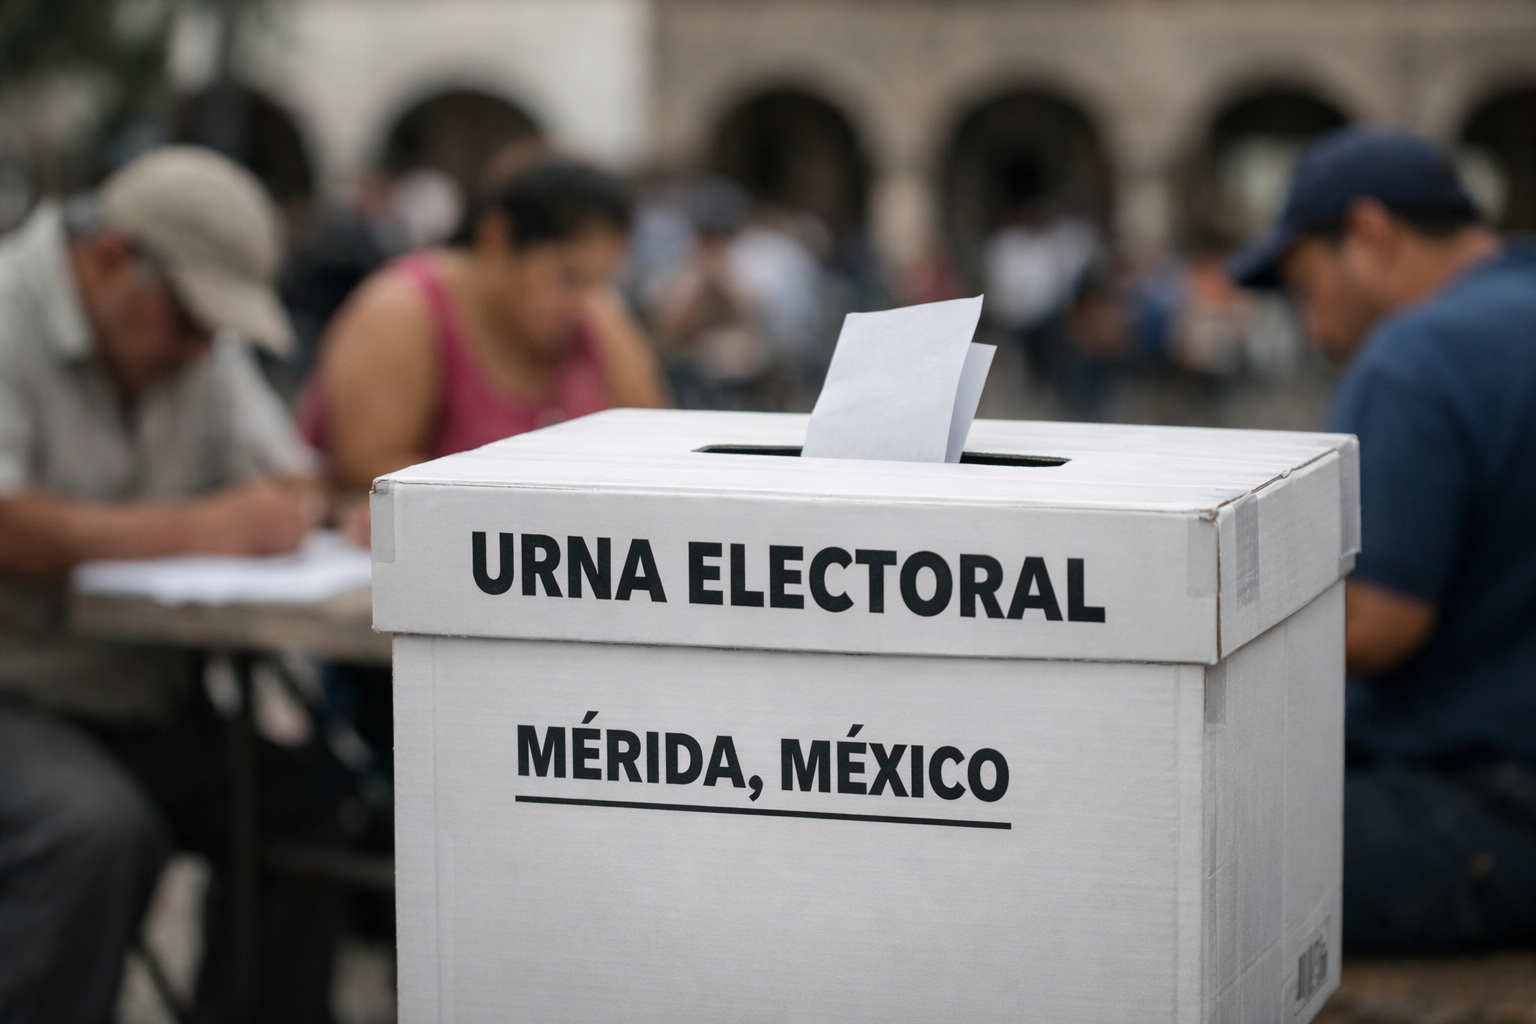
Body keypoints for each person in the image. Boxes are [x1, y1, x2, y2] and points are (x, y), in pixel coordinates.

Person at [0, 146, 343, 1022]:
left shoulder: (196, 347)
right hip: (21, 692)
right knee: (92, 835)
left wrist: (297, 505)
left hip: (142, 693)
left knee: (316, 808)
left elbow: (292, 480)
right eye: (190, 322)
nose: (200, 351)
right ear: (110, 257)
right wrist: (205, 529)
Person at [1230, 127, 1536, 952]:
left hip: (1492, 809)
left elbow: (1379, 623)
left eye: (1305, 284)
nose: (1313, 325)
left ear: (1369, 237)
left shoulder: (1419, 354)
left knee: (1175, 849)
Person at [302, 156, 669, 506]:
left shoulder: (594, 315)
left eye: (599, 282)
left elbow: (662, 447)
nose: (582, 302)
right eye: (567, 276)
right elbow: (366, 469)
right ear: (497, 238)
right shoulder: (402, 312)